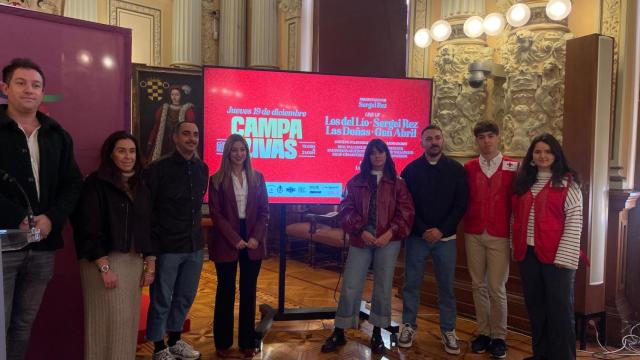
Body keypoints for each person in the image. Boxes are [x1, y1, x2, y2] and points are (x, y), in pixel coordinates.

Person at [0, 58, 83, 359]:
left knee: (22, 325)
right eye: (21, 83)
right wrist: (16, 217)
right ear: (5, 87)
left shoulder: (57, 135)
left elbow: (73, 183)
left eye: (36, 85)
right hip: (3, 246)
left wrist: (52, 217)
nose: (29, 90)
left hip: (43, 247)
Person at [320, 139, 414, 355]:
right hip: (360, 238)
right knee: (351, 284)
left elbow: (406, 212)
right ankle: (339, 330)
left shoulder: (398, 183)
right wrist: (361, 230)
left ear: (387, 155)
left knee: (382, 287)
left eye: (381, 153)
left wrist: (389, 233)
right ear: (367, 157)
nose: (377, 157)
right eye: (373, 153)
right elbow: (345, 209)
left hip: (388, 240)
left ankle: (377, 333)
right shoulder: (355, 182)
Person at [72, 131, 156, 360]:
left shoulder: (142, 184)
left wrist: (150, 262)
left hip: (132, 264)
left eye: (132, 151)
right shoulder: (95, 183)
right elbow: (87, 227)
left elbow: (147, 225)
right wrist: (104, 267)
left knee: (126, 325)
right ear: (110, 154)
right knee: (104, 325)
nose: (128, 156)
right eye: (121, 150)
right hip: (102, 262)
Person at [398, 125, 468, 355]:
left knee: (446, 288)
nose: (434, 142)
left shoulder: (457, 170)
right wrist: (424, 229)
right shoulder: (410, 171)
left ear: (443, 140)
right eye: (429, 139)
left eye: (437, 137)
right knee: (411, 284)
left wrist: (441, 230)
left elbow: (461, 205)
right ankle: (408, 325)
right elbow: (406, 206)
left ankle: (449, 330)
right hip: (417, 238)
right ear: (421, 143)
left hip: (446, 238)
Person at [511, 133, 582, 360]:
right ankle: (540, 355)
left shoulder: (568, 184)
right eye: (538, 151)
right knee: (536, 309)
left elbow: (574, 222)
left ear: (556, 155)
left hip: (558, 257)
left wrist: (565, 257)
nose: (543, 156)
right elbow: (516, 219)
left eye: (548, 151)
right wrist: (516, 247)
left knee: (560, 312)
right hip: (528, 255)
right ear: (532, 155)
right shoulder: (523, 183)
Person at [145, 121, 208, 360]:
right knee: (161, 298)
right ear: (174, 137)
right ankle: (159, 347)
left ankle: (175, 340)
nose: (192, 138)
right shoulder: (157, 169)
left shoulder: (203, 169)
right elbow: (149, 211)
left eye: (195, 134)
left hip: (194, 246)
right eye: (186, 134)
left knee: (185, 297)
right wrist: (151, 249)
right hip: (167, 246)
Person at [208, 134, 269, 359]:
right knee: (225, 291)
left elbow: (264, 212)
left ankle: (246, 341)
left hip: (253, 238)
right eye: (234, 150)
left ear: (247, 152)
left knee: (248, 292)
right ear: (227, 153)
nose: (239, 154)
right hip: (226, 238)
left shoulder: (258, 177)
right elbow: (216, 214)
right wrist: (235, 238)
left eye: (242, 149)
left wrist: (255, 238)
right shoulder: (216, 179)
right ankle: (222, 343)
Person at [464, 121, 518, 358]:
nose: (486, 141)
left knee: (497, 288)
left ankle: (499, 337)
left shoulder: (512, 167)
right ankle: (484, 332)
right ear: (476, 141)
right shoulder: (468, 168)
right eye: (482, 137)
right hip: (473, 232)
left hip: (499, 234)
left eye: (490, 136)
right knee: (478, 285)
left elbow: (519, 204)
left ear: (498, 138)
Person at [146, 85, 195, 162]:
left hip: (179, 141)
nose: (174, 97)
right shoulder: (164, 109)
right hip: (165, 140)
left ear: (181, 96)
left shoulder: (186, 110)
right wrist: (151, 140)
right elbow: (157, 126)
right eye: (172, 95)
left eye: (177, 95)